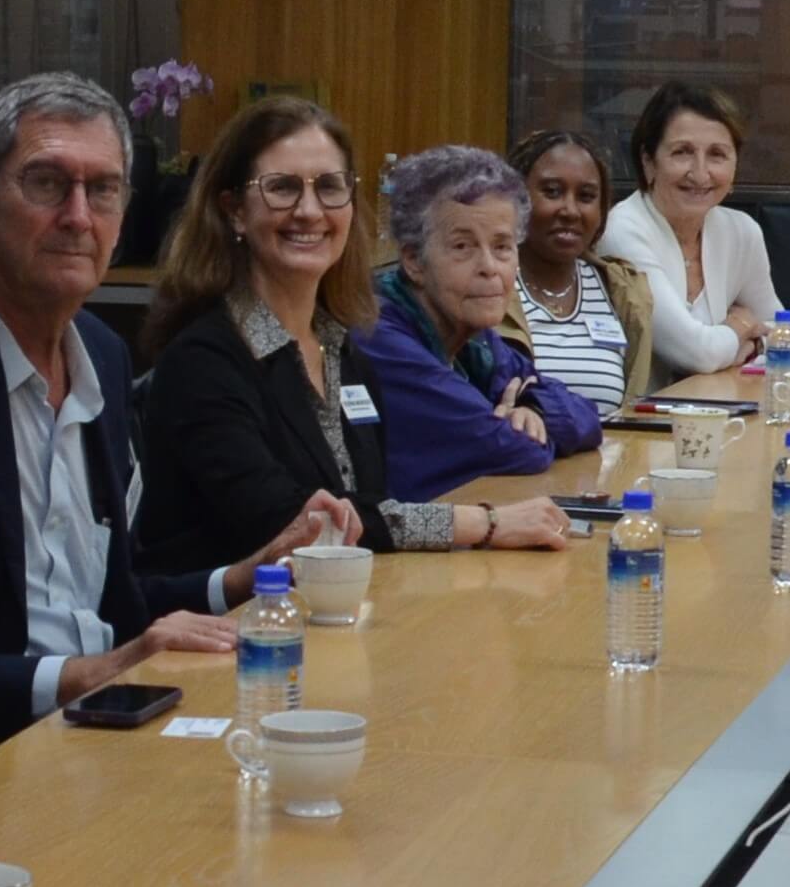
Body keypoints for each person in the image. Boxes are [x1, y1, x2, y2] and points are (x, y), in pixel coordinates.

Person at [0, 74, 331, 758]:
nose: (78, 216)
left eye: (103, 189)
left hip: (110, 725)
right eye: (48, 183)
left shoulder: (103, 355)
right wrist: (86, 674)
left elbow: (110, 601)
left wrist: (240, 577)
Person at [135, 96, 571, 573]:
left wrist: (531, 406)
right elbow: (298, 525)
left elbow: (368, 502)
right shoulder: (204, 361)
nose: (309, 211)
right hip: (235, 617)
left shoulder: (344, 351)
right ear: (235, 210)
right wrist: (485, 523)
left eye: (329, 187)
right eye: (282, 188)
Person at [358, 144, 602, 502]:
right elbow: (515, 449)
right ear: (413, 261)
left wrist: (534, 408)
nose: (489, 267)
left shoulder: (477, 341)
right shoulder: (377, 335)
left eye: (502, 247)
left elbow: (587, 415)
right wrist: (525, 428)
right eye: (462, 247)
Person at [593, 83, 784, 376]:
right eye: (682, 152)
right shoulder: (622, 231)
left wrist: (747, 345)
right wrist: (741, 326)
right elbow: (695, 354)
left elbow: (782, 334)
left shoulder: (741, 232)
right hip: (640, 406)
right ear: (648, 162)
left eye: (717, 154)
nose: (700, 173)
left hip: (719, 400)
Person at [503, 129, 660, 416]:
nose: (570, 211)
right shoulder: (490, 285)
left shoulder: (622, 290)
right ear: (516, 199)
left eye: (586, 197)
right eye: (552, 192)